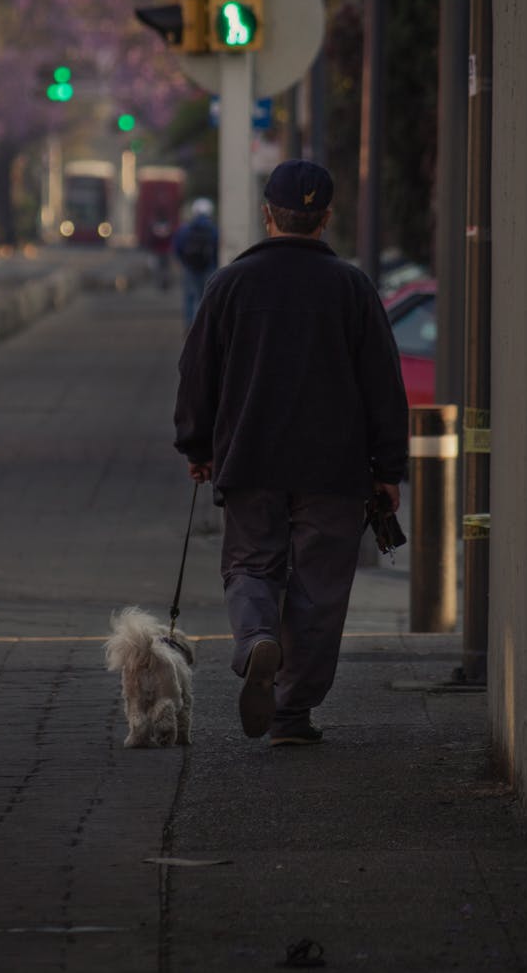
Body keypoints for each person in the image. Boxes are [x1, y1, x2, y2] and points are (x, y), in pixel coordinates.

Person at [173, 160, 408, 746]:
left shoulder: (229, 284)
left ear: (267, 215)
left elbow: (197, 373)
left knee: (252, 564)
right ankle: (290, 713)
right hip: (335, 468)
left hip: (250, 457)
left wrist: (198, 446)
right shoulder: (352, 288)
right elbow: (384, 384)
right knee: (320, 587)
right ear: (325, 219)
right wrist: (388, 470)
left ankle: (256, 639)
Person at [173, 198, 218, 332]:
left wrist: (184, 262)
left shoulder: (185, 229)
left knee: (189, 297)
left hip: (190, 267)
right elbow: (217, 247)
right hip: (208, 268)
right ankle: (203, 328)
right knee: (205, 297)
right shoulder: (213, 229)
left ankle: (190, 325)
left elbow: (177, 246)